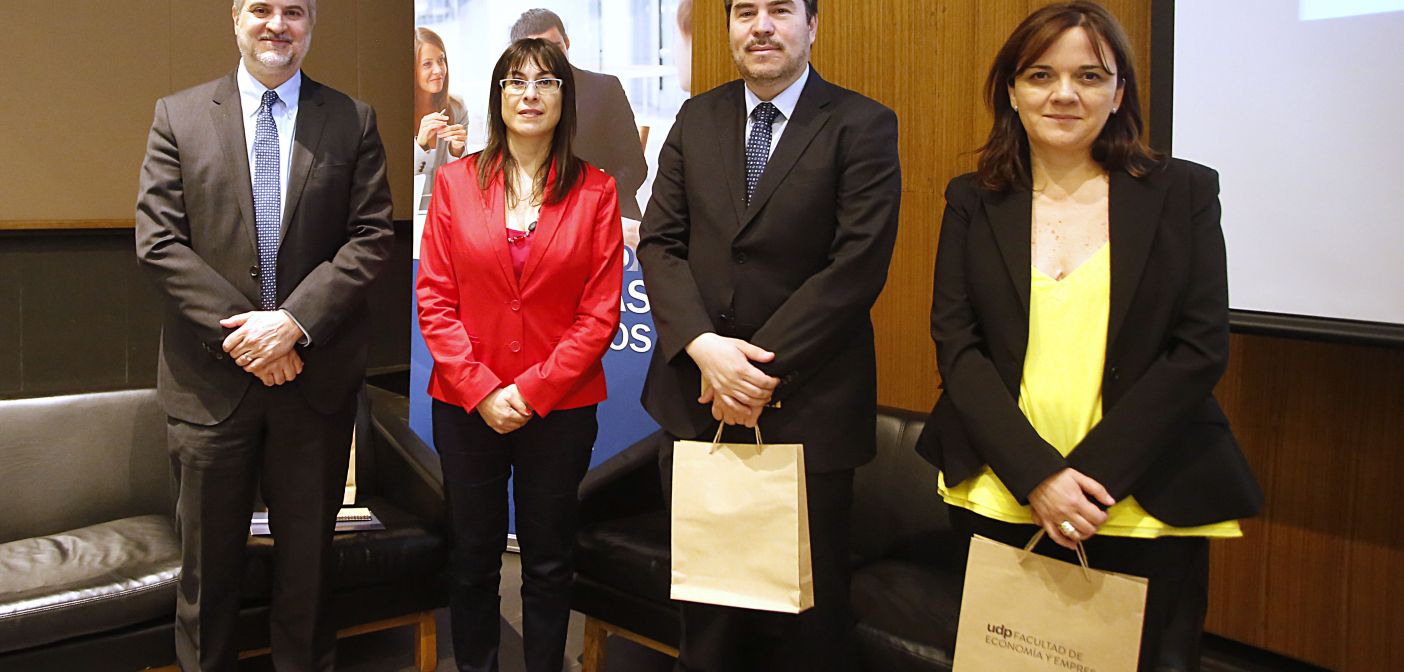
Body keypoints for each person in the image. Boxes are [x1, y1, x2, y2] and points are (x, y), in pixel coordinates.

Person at [914, 3, 1262, 670]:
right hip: (1002, 490)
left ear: (1120, 92)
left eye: (1090, 76)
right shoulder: (973, 198)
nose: (1065, 94)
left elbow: (1199, 348)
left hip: (1146, 497)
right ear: (1012, 92)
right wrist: (1039, 476)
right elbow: (957, 346)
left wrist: (1089, 479)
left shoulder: (1183, 192)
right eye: (1041, 75)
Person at [637, 1, 901, 670]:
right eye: (744, 11)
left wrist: (751, 373)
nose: (760, 26)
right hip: (696, 404)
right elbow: (660, 243)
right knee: (708, 622)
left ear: (812, 24)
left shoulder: (862, 124)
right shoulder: (697, 118)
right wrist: (704, 348)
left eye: (780, 9)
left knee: (807, 626)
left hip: (809, 412)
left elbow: (856, 265)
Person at [133, 0, 394, 669]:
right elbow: (159, 242)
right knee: (208, 578)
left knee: (308, 575)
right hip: (209, 387)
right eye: (261, 8)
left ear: (312, 23)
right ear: (235, 17)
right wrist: (252, 338)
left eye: (294, 11)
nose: (278, 24)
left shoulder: (353, 120)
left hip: (315, 384)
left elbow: (370, 237)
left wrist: (292, 324)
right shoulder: (178, 116)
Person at [415, 38, 624, 672]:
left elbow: (599, 315)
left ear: (565, 97)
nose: (529, 94)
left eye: (545, 82)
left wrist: (531, 391)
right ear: (498, 96)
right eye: (515, 81)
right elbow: (435, 300)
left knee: (549, 561)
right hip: (466, 406)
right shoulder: (454, 183)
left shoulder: (597, 191)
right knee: (473, 558)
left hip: (560, 409)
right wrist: (482, 389)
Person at [510, 9, 649, 223]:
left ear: (567, 42)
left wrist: (593, 202)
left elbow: (634, 166)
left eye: (556, 47)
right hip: (537, 217)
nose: (551, 58)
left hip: (603, 213)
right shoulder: (513, 98)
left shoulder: (605, 89)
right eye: (539, 51)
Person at [414, 26, 469, 210]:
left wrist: (457, 150)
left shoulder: (457, 108)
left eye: (441, 60)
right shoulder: (399, 113)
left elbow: (461, 182)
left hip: (445, 212)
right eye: (427, 64)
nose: (438, 70)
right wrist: (420, 144)